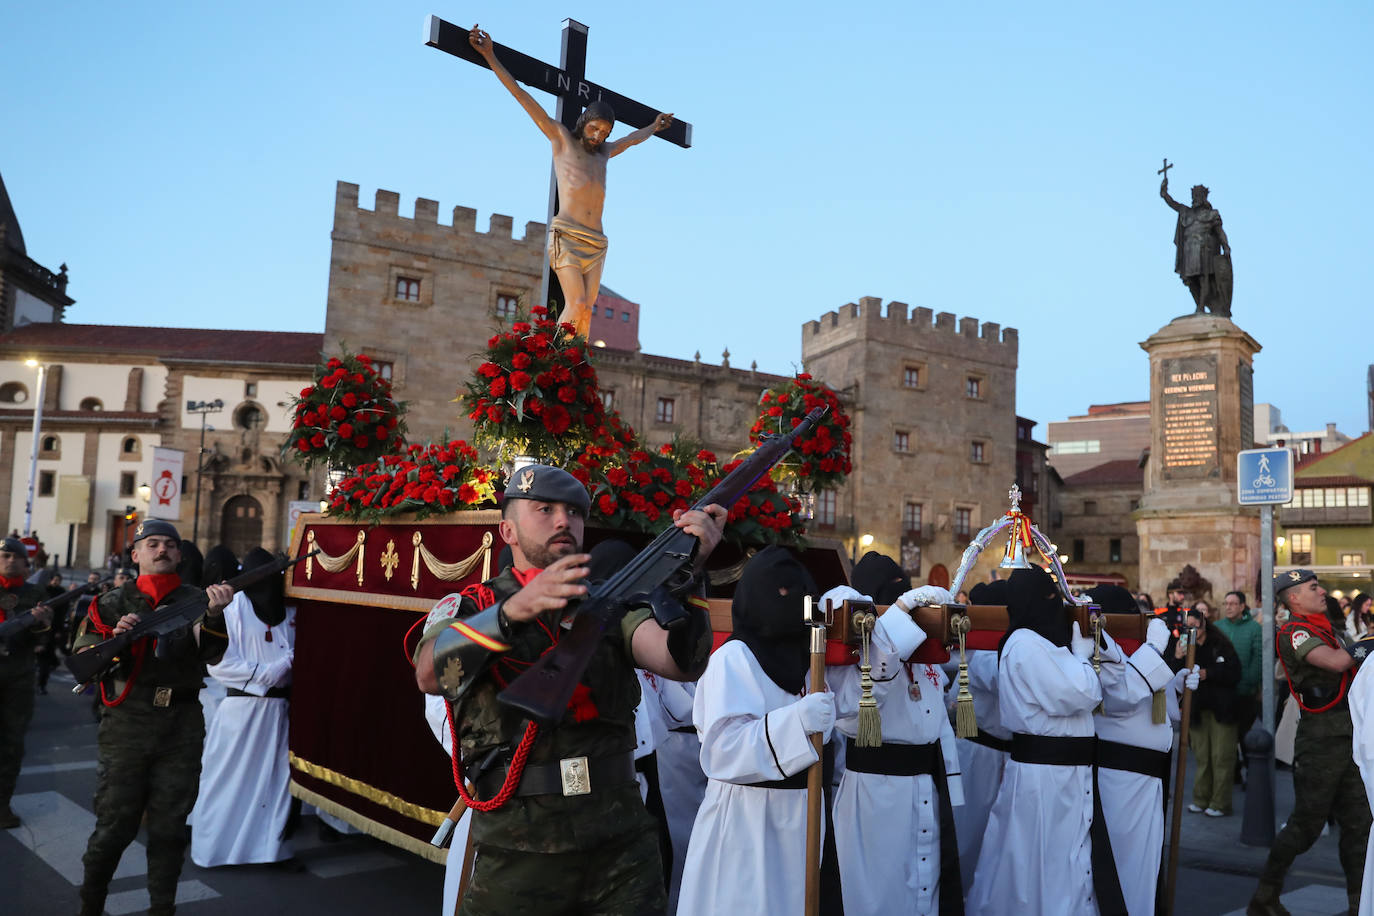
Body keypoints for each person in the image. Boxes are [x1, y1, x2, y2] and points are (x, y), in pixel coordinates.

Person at [413, 465, 722, 914]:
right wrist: (512, 612)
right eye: (545, 509)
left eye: (574, 512)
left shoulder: (610, 604)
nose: (563, 520)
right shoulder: (471, 607)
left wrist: (691, 573)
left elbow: (680, 663)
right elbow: (429, 673)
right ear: (508, 530)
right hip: (520, 847)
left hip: (621, 843)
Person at [467, 25, 675, 339]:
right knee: (575, 302)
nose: (599, 136)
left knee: (586, 312)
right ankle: (554, 357)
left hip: (596, 240)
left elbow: (631, 139)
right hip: (567, 233)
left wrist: (653, 127)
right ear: (583, 123)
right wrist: (491, 56)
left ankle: (574, 363)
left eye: (604, 132)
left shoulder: (604, 152)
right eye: (594, 128)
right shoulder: (562, 140)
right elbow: (523, 96)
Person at [73, 520, 232, 916]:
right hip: (129, 722)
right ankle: (91, 903)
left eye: (169, 545)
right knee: (115, 825)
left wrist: (214, 615)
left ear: (179, 554)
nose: (162, 550)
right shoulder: (109, 603)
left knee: (170, 826)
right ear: (136, 554)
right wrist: (119, 640)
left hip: (181, 723)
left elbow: (212, 656)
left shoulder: (198, 599)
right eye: (153, 544)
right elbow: (82, 663)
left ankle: (163, 906)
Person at [677, 546, 835, 916]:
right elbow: (721, 751)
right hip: (747, 820)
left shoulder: (809, 658)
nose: (788, 602)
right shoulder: (732, 659)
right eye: (777, 593)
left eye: (796, 592)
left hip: (801, 812)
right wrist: (798, 722)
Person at [967, 565, 1119, 916]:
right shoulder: (1025, 643)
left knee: (1064, 857)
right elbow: (1081, 693)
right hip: (1045, 777)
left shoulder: (1043, 643)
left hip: (1063, 774)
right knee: (1041, 861)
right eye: (1050, 597)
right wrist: (1082, 656)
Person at [825, 582, 964, 915]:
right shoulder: (859, 648)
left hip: (924, 786)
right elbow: (853, 713)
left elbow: (937, 724)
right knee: (878, 893)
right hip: (876, 794)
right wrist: (899, 613)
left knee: (924, 889)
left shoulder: (924, 655)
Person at [1249, 569, 1373, 915]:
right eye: (1314, 587)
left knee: (1359, 827)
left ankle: (1358, 905)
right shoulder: (1295, 632)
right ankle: (1264, 896)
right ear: (1293, 598)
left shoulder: (1325, 628)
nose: (1322, 592)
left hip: (1347, 739)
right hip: (1319, 742)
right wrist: (1368, 643)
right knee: (1306, 826)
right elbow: (1335, 663)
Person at [1089, 584, 1198, 916]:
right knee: (1125, 866)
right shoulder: (1099, 650)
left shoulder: (1136, 651)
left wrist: (1177, 685)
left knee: (1146, 863)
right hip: (1119, 777)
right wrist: (1153, 648)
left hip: (1148, 777)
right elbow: (1119, 698)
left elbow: (1155, 707)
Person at [190, 547, 296, 867]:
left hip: (280, 712)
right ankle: (213, 849)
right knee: (226, 782)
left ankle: (270, 852)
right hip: (241, 708)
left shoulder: (292, 611)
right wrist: (266, 674)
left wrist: (289, 663)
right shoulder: (231, 607)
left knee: (275, 783)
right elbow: (217, 663)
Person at [950, 579, 1011, 897]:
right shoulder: (978, 649)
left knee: (999, 839)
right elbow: (1000, 678)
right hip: (978, 751)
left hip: (1005, 755)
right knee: (969, 834)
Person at [0, 536, 52, 827]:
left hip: (19, 676)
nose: (10, 561)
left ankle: (2, 803)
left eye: (15, 557)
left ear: (25, 562)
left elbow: (43, 640)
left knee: (12, 741)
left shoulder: (35, 593)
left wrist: (41, 623)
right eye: (5, 556)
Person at [1178, 607, 1241, 817]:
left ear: (1204, 624)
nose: (1193, 629)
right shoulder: (1185, 645)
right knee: (1202, 757)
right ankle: (1201, 798)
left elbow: (1234, 672)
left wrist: (1208, 673)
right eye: (1189, 626)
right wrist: (1177, 656)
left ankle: (1220, 802)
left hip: (1221, 708)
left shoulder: (1220, 643)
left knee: (1221, 756)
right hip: (1197, 708)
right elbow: (1175, 672)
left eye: (1197, 624)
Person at [1160, 173, 1233, 316]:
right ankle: (1198, 305)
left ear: (1204, 197)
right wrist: (1164, 193)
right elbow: (1173, 203)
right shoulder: (1186, 212)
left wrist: (1226, 246)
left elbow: (1220, 232)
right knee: (1191, 280)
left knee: (1203, 278)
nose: (1195, 198)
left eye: (1198, 196)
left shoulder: (1212, 214)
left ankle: (1201, 307)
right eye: (1194, 196)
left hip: (1205, 249)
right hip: (1189, 251)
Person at [1214, 590, 1263, 766]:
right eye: (1226, 603)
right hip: (1223, 691)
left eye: (1233, 603)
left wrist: (1249, 682)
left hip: (1245, 692)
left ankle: (1252, 774)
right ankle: (1233, 772)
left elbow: (1258, 659)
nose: (1228, 607)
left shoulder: (1254, 628)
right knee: (1226, 736)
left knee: (1245, 735)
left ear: (1242, 606)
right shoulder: (1218, 627)